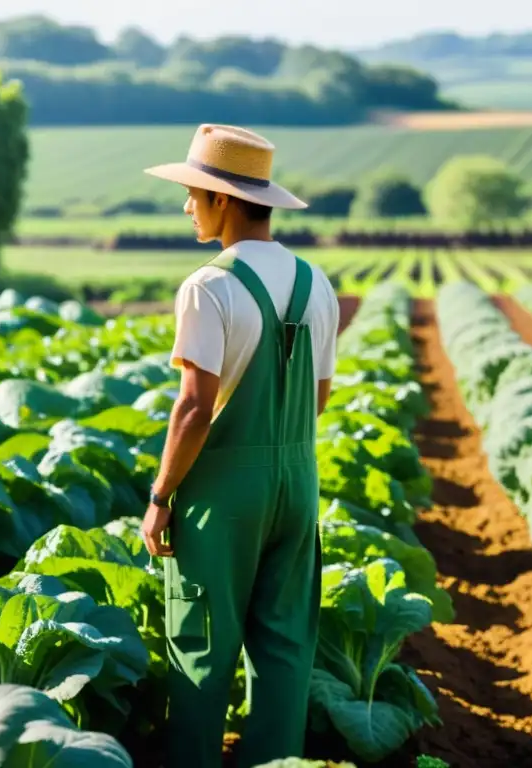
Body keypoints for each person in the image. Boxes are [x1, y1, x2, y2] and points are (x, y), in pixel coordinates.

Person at [138, 124, 339, 768]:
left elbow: (195, 406)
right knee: (285, 649)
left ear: (223, 200)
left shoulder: (209, 286)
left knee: (201, 646)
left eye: (193, 193)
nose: (187, 206)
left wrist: (161, 495)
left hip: (223, 495)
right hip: (297, 483)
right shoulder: (318, 284)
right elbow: (320, 394)